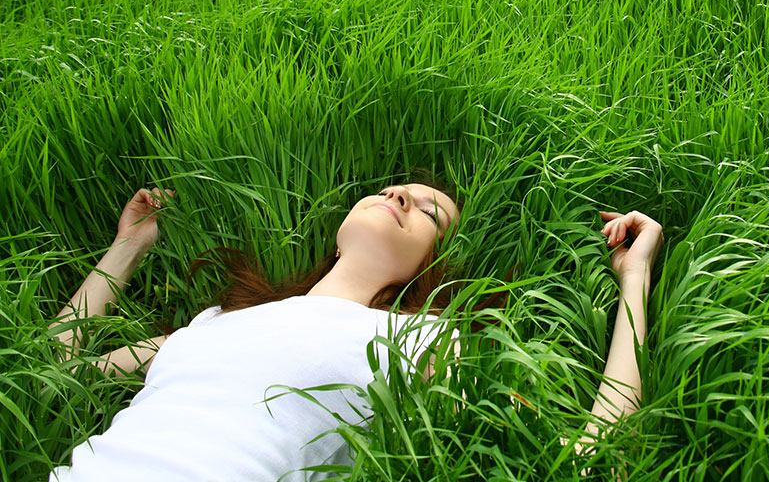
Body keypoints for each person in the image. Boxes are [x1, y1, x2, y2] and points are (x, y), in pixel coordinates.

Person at [48, 180, 663, 480]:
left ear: (430, 263)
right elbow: (54, 367)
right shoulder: (215, 324)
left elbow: (587, 458)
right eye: (393, 189)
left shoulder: (417, 343)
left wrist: (635, 279)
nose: (400, 196)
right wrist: (125, 251)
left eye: (430, 212)